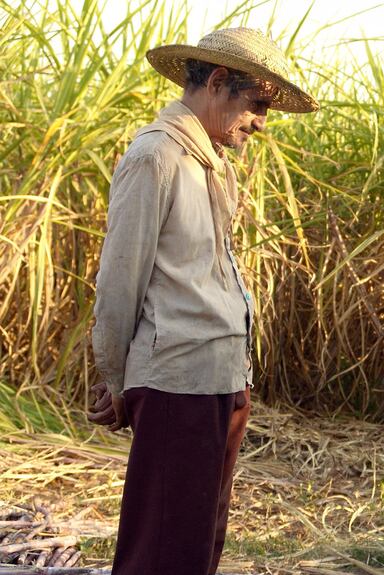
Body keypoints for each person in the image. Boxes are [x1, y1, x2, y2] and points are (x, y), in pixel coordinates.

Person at [87, 27, 318, 575]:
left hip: (219, 377)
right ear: (218, 82)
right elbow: (120, 280)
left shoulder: (213, 167)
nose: (261, 121)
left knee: (196, 547)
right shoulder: (156, 157)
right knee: (162, 551)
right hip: (176, 381)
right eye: (258, 103)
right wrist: (113, 380)